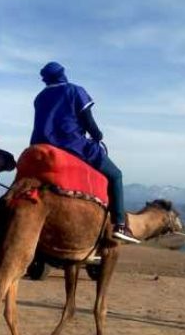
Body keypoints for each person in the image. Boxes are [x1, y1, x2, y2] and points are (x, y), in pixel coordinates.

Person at [30, 61, 137, 243]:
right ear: (63, 73)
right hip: (72, 144)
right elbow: (87, 120)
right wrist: (97, 135)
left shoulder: (39, 97)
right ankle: (119, 224)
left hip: (39, 146)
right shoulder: (74, 90)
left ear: (45, 79)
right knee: (116, 175)